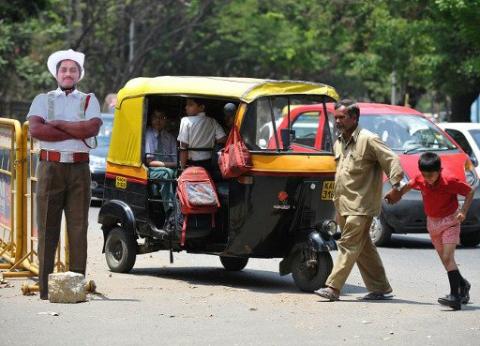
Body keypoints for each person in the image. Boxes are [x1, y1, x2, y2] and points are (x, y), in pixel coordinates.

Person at [27, 49, 102, 300]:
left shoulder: (90, 99)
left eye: (73, 70)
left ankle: (75, 287)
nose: (68, 73)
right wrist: (75, 131)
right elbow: (37, 130)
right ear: (56, 74)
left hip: (80, 168)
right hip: (50, 168)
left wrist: (57, 124)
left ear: (79, 74)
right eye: (64, 69)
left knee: (78, 228)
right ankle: (45, 289)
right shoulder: (42, 99)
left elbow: (92, 127)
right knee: (47, 227)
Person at [317, 99, 404, 302]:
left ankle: (333, 287)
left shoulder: (368, 139)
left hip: (361, 205)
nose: (337, 121)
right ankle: (380, 287)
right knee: (363, 247)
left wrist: (396, 187)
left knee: (347, 244)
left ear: (354, 117)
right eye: (335, 117)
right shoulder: (339, 141)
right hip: (343, 204)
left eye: (342, 117)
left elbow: (392, 160)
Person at [385, 152, 473, 310]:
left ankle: (455, 297)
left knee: (448, 257)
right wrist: (396, 195)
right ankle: (463, 285)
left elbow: (470, 192)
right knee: (446, 261)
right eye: (425, 175)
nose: (428, 179)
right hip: (432, 223)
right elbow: (409, 185)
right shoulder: (421, 178)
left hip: (450, 221)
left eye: (431, 175)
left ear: (439, 170)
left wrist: (464, 211)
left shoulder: (449, 180)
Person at [177, 98, 226, 171]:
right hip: (208, 164)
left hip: (191, 164)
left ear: (201, 107)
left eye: (190, 105)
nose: (186, 107)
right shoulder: (212, 121)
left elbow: (183, 146)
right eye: (186, 104)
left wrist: (182, 168)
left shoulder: (185, 120)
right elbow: (222, 139)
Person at [145, 109, 177, 212]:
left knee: (182, 173)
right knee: (167, 173)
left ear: (166, 120)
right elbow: (149, 162)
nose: (158, 121)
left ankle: (181, 207)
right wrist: (171, 165)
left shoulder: (170, 137)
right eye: (155, 117)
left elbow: (175, 158)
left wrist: (176, 165)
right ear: (151, 119)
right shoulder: (148, 135)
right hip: (153, 169)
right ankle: (170, 210)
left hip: (171, 167)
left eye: (162, 118)